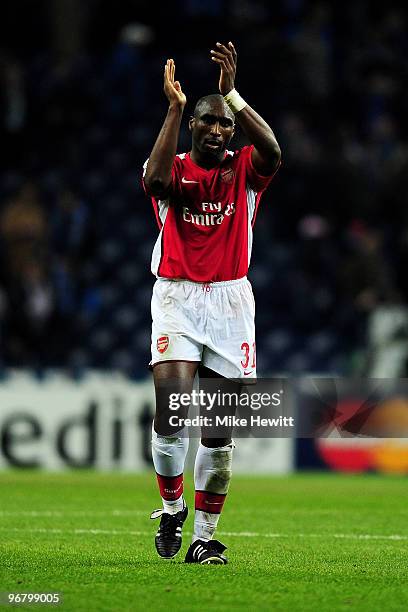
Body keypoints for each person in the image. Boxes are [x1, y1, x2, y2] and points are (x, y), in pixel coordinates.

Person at [142, 42, 281, 564]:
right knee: (172, 410)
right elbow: (154, 183)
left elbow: (275, 151)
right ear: (195, 126)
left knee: (221, 431)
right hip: (177, 295)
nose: (221, 130)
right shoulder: (171, 167)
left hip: (230, 302)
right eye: (210, 122)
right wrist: (175, 108)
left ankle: (203, 537)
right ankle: (171, 508)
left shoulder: (245, 168)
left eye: (227, 124)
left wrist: (234, 96)